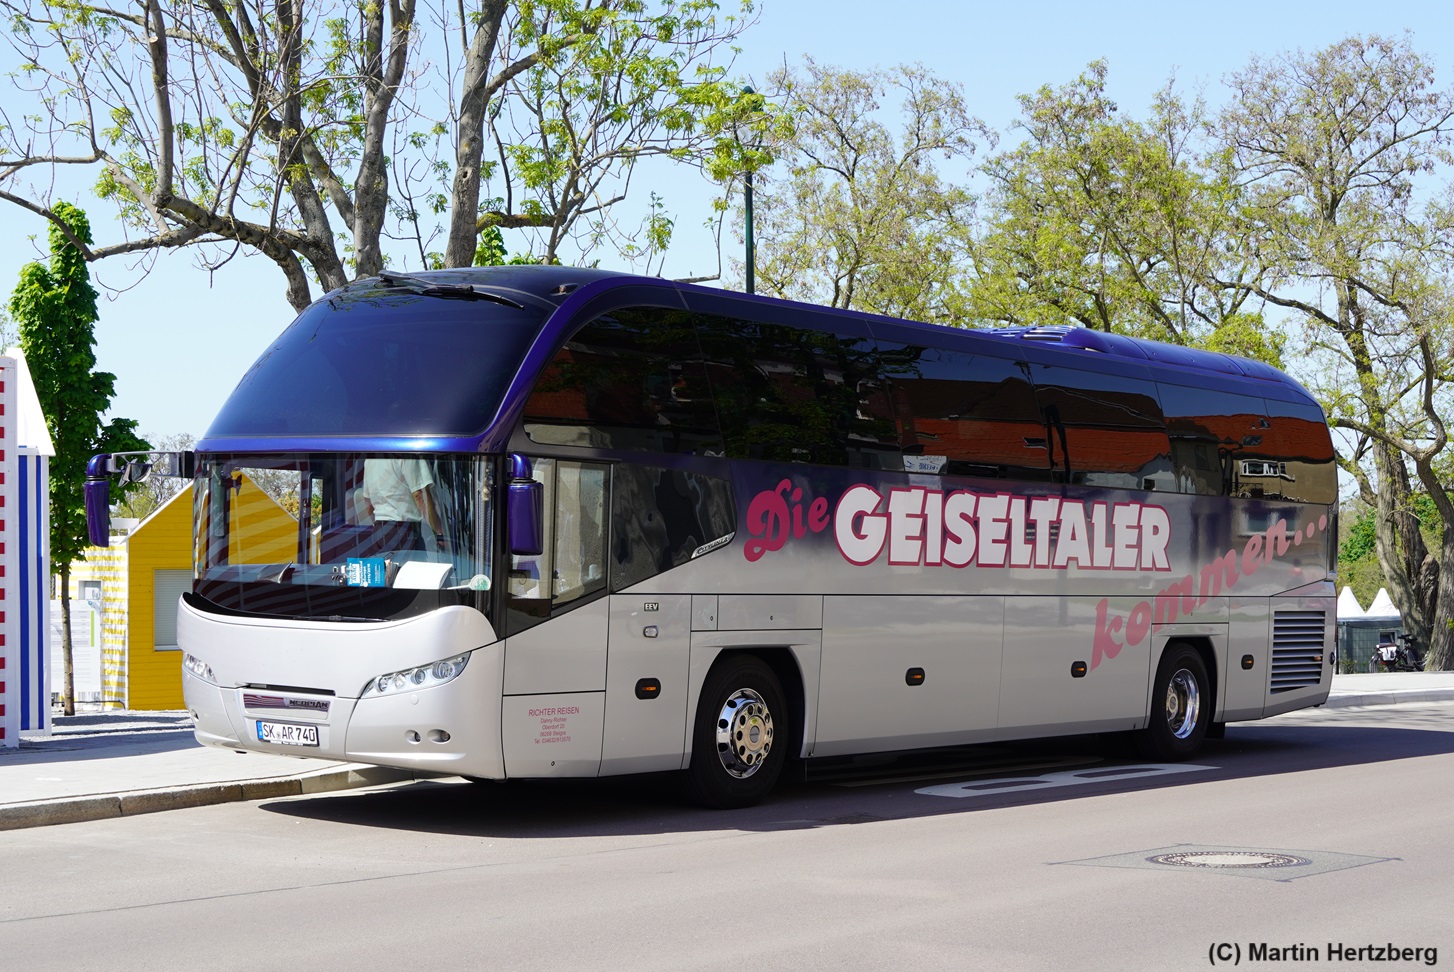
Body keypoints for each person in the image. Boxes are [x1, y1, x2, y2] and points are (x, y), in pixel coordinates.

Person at [356, 457, 446, 555]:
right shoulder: (409, 452)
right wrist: (439, 532)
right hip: (403, 530)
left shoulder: (370, 459)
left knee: (385, 569)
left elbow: (367, 501)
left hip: (379, 530)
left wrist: (380, 526)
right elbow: (420, 495)